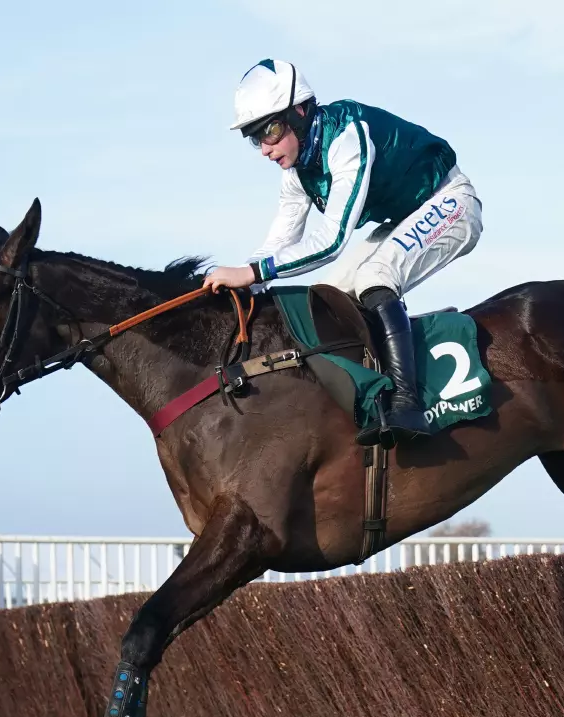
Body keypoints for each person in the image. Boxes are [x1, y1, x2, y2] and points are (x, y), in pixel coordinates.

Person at [199, 59, 483, 446]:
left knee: (374, 277)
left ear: (300, 113)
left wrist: (253, 272)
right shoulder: (296, 171)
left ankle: (407, 402)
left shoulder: (348, 137)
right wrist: (244, 285)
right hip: (403, 218)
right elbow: (278, 243)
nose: (265, 149)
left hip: (451, 203)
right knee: (324, 296)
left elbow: (332, 241)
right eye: (255, 138)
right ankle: (370, 397)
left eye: (270, 131)